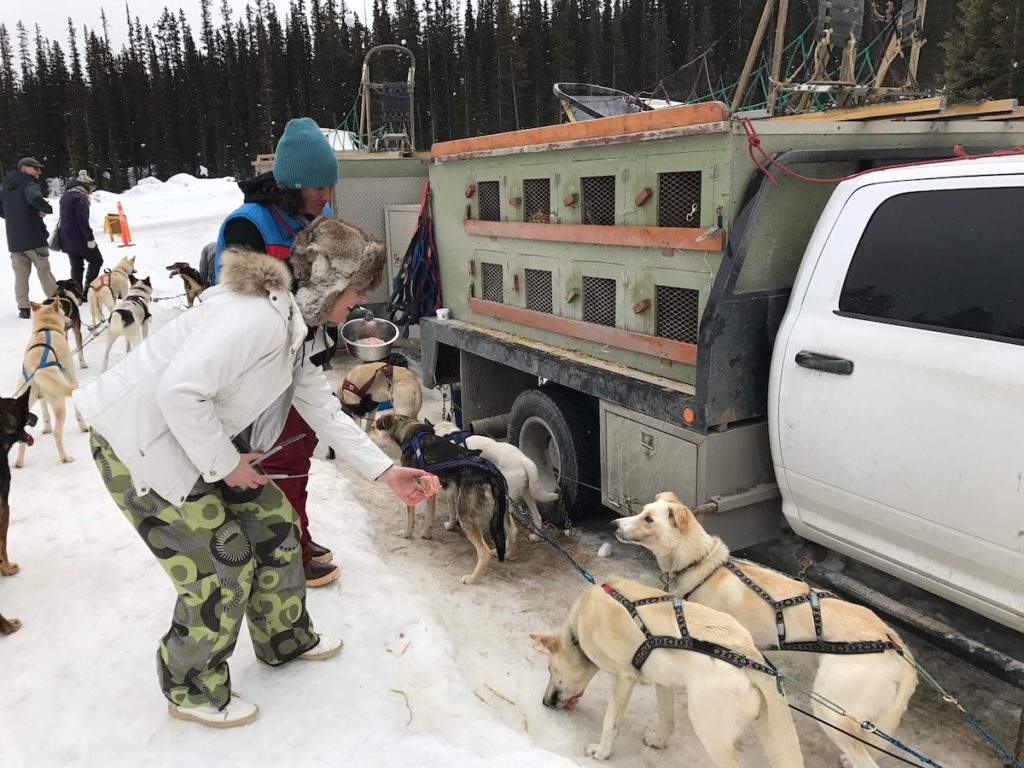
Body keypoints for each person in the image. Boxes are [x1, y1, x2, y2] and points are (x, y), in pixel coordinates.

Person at [74, 221, 436, 729]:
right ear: (327, 285)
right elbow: (178, 393)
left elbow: (323, 410)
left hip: (194, 441)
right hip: (138, 448)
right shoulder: (256, 319)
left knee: (276, 526)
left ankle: (283, 636)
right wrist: (225, 463)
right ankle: (190, 686)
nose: (359, 303)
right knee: (223, 564)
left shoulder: (293, 329)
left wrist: (386, 471)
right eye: (355, 290)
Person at [213, 117, 343, 588]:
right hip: (261, 369)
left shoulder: (302, 218)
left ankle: (294, 535)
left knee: (299, 450)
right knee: (283, 459)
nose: (326, 196)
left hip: (296, 360)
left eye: (330, 186)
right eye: (320, 187)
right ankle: (290, 552)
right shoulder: (250, 224)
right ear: (294, 183)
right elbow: (251, 308)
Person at [0, 156, 58, 318]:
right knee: (44, 270)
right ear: (24, 168)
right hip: (33, 236)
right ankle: (56, 301)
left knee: (21, 275)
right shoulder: (29, 183)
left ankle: (23, 307)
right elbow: (34, 199)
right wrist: (46, 208)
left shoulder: (6, 186)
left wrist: (13, 219)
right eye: (35, 168)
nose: (39, 172)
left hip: (15, 240)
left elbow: (1, 207)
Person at [58, 170, 103, 297]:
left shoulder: (66, 195)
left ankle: (76, 292)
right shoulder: (80, 197)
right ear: (85, 185)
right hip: (79, 237)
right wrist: (90, 239)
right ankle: (89, 290)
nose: (91, 190)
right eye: (90, 187)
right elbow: (82, 220)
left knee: (76, 265)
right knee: (96, 260)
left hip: (66, 237)